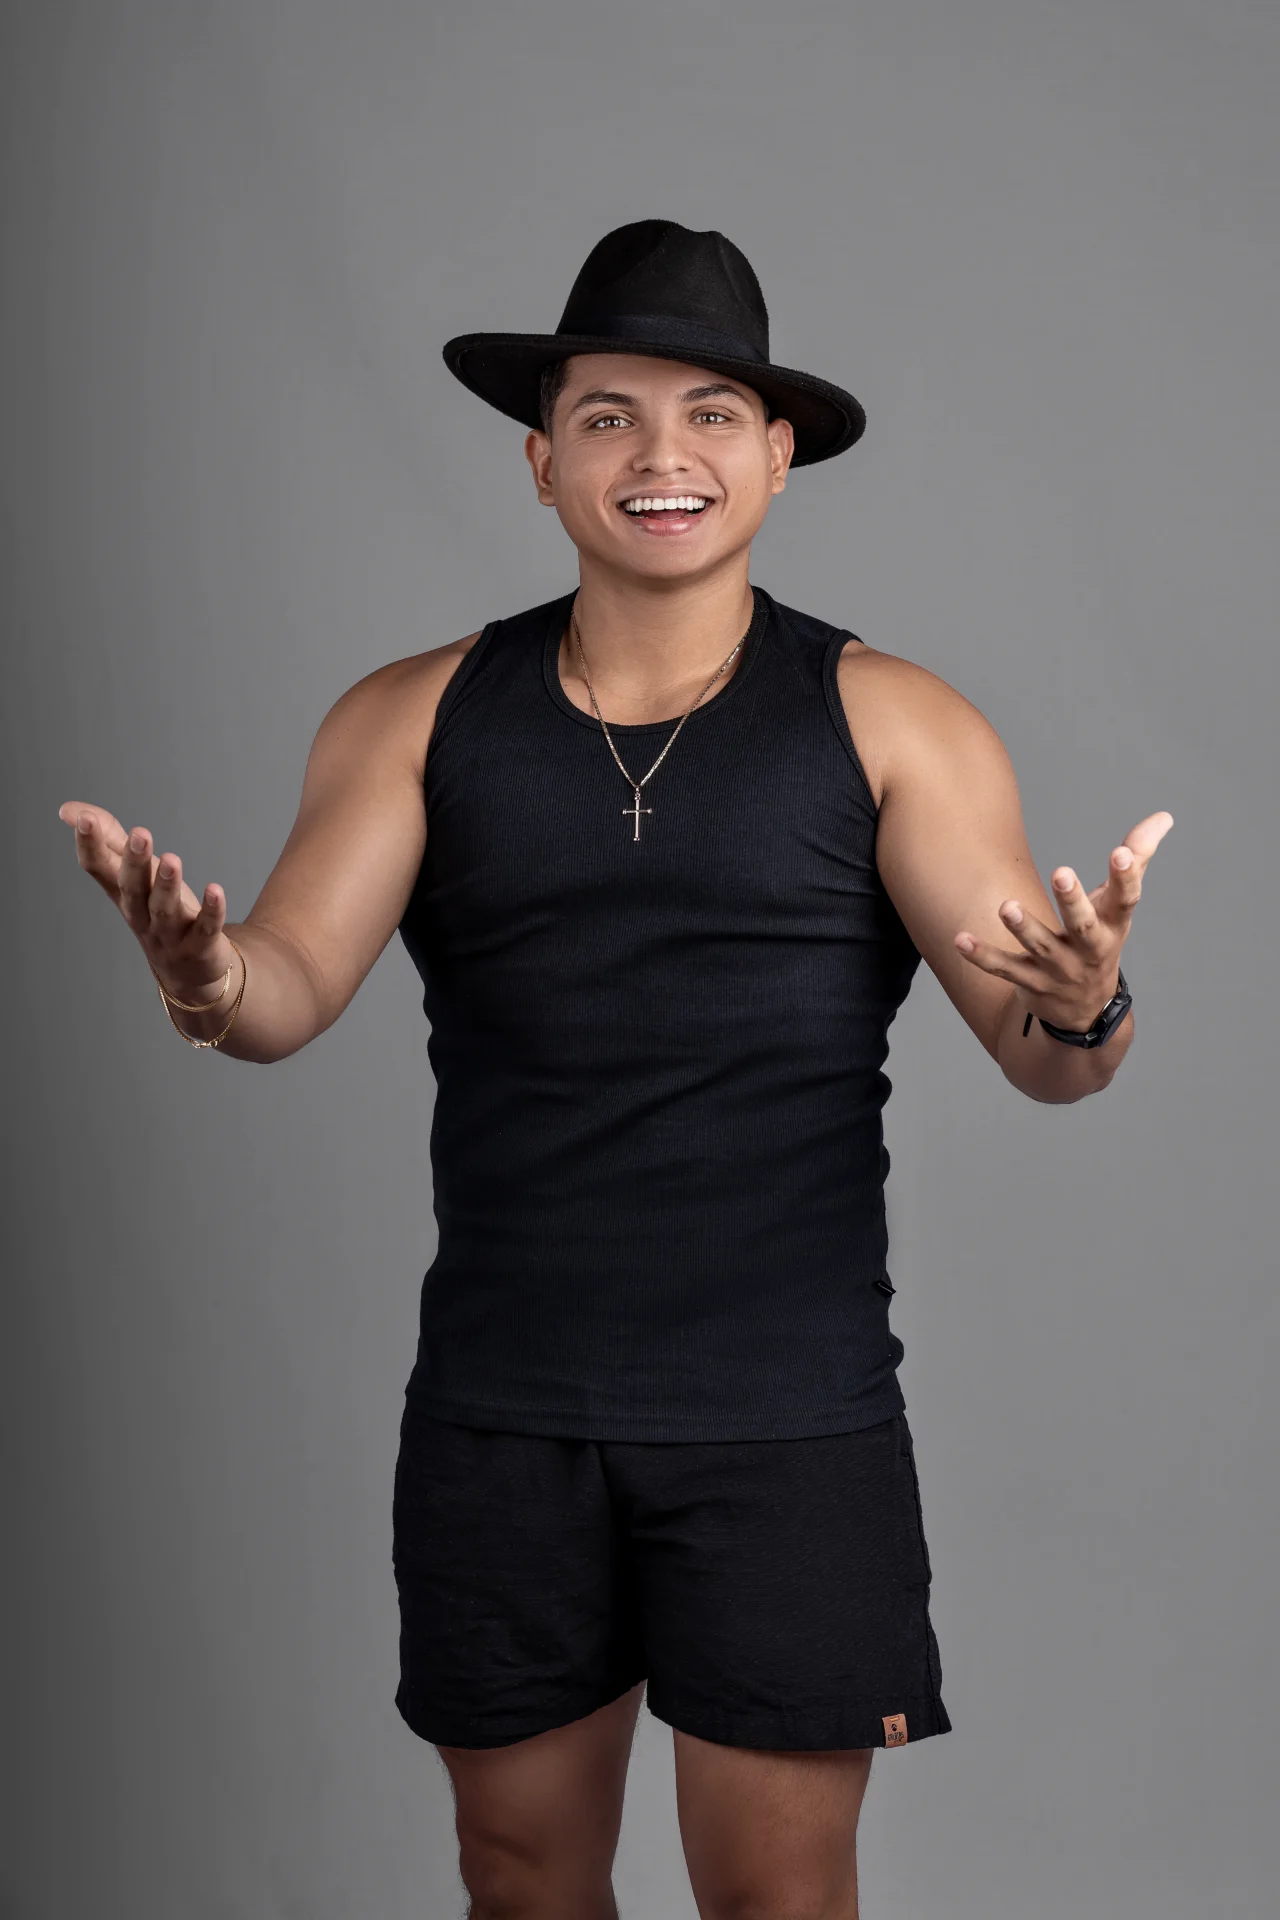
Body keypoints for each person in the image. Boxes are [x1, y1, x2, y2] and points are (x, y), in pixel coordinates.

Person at [59, 219, 1171, 1920]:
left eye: (712, 414)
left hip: (786, 1420)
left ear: (778, 455)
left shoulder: (896, 723)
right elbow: (282, 988)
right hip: (504, 1411)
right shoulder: (414, 715)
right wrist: (203, 976)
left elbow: (1049, 1056)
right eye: (608, 416)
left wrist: (1088, 1003)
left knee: (778, 1895)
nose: (663, 456)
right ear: (541, 459)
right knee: (518, 1879)